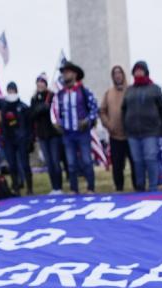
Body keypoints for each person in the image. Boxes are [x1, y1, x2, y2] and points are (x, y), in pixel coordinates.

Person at [0, 70, 33, 195]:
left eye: (13, 90)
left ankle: (29, 188)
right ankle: (16, 187)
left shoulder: (23, 106)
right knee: (12, 165)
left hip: (21, 140)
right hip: (8, 140)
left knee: (25, 164)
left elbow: (29, 125)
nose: (11, 92)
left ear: (16, 91)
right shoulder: (2, 104)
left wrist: (30, 139)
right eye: (9, 90)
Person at [121, 60, 162, 192]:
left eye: (140, 70)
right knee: (137, 161)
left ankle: (153, 186)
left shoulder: (155, 89)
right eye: (136, 70)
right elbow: (124, 109)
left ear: (146, 71)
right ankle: (140, 187)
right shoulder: (129, 90)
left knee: (150, 158)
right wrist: (126, 125)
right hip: (133, 133)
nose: (138, 72)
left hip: (151, 132)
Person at [52, 60, 98, 194]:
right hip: (67, 134)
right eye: (64, 72)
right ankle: (74, 188)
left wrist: (87, 121)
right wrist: (58, 123)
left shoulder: (84, 91)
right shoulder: (60, 95)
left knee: (87, 161)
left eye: (68, 72)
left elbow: (94, 109)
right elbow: (56, 112)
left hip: (82, 133)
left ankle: (90, 188)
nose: (65, 75)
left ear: (75, 74)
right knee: (71, 163)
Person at [99, 65, 131, 191]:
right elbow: (102, 111)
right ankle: (119, 187)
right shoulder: (108, 93)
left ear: (123, 75)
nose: (117, 75)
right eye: (115, 73)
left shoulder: (130, 90)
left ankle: (138, 187)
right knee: (117, 164)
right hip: (115, 135)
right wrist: (108, 124)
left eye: (119, 73)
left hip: (130, 134)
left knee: (135, 163)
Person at [29, 74, 62, 194]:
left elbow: (56, 111)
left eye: (42, 82)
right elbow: (31, 114)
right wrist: (40, 108)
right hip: (42, 135)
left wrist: (46, 107)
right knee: (49, 162)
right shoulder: (33, 99)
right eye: (38, 82)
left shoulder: (52, 96)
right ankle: (54, 187)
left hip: (53, 134)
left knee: (55, 161)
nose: (40, 84)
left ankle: (59, 187)